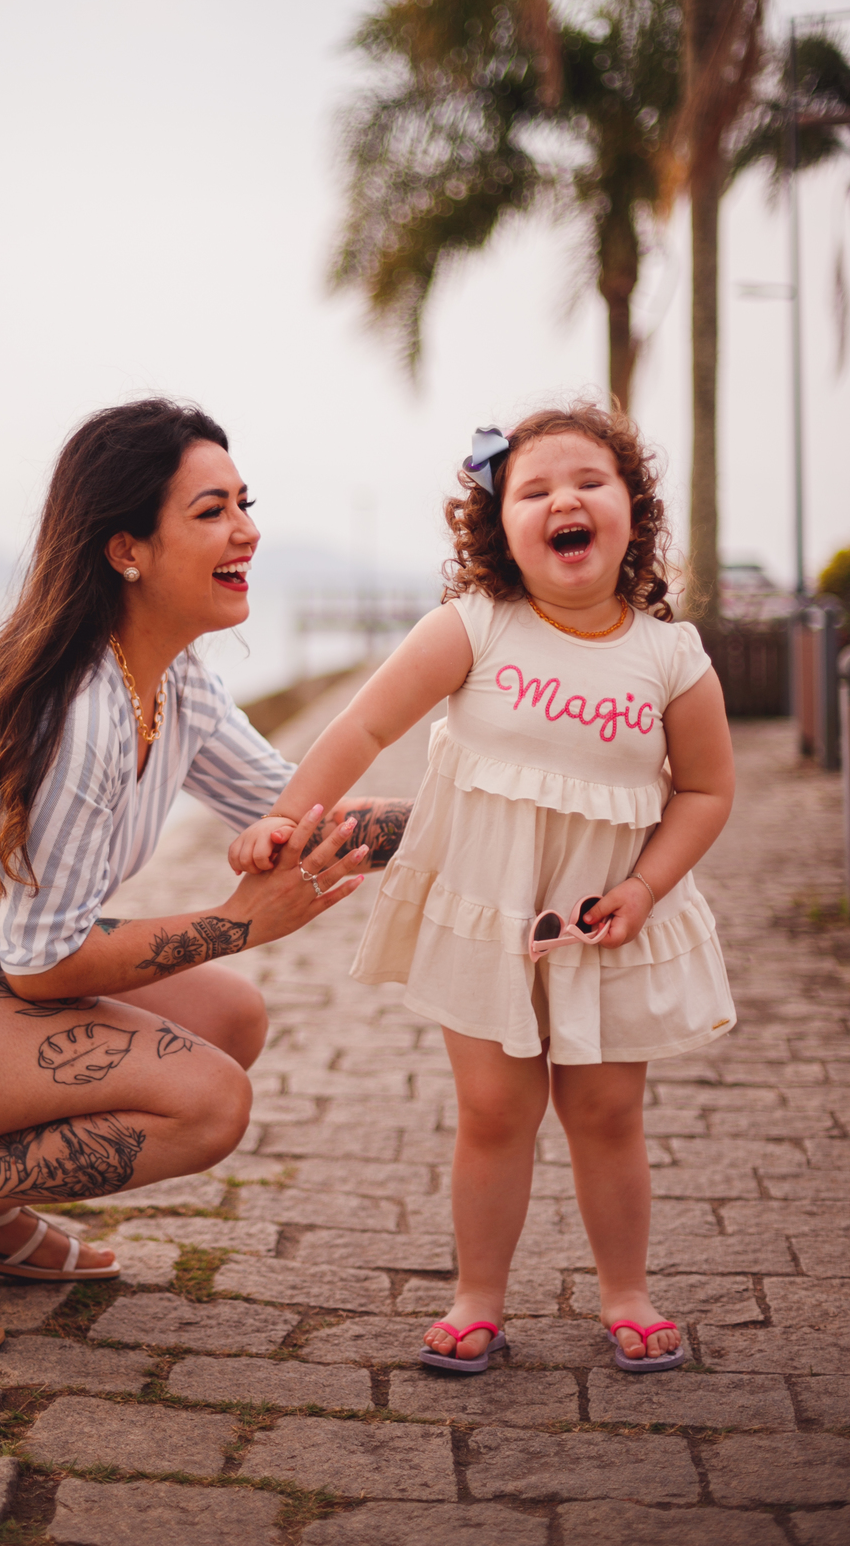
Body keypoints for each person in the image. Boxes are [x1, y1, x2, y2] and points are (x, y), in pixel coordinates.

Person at [0, 398, 411, 1361]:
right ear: (126, 550)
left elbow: (301, 818)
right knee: (207, 1100)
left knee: (230, 1019)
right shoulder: (79, 714)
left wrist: (499, 827)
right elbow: (47, 967)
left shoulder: (173, 681)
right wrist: (238, 922)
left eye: (245, 502)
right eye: (211, 511)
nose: (248, 530)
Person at [229, 401, 736, 1375]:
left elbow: (709, 791)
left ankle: (626, 1291)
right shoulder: (474, 628)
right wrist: (290, 814)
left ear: (633, 507)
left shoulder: (670, 657)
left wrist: (647, 886)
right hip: (484, 916)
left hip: (608, 925)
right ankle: (479, 1298)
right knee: (495, 1114)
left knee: (606, 1114)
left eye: (589, 481)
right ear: (500, 527)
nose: (564, 501)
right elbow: (361, 730)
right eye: (534, 489)